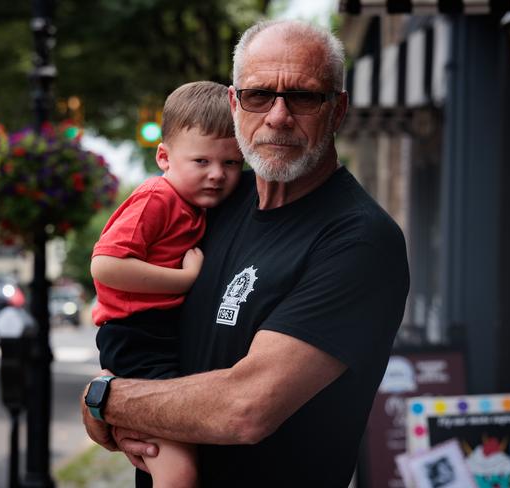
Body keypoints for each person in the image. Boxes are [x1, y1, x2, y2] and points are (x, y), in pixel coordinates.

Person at [82, 19, 410, 488]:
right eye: (258, 95)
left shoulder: (358, 240)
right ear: (235, 104)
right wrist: (112, 400)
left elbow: (245, 409)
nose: (277, 115)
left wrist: (104, 399)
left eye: (303, 96)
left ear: (337, 110)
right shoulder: (213, 204)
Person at [89, 81, 243, 488]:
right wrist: (185, 278)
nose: (217, 174)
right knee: (177, 468)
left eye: (231, 163)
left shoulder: (197, 206)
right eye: (201, 161)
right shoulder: (156, 198)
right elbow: (106, 265)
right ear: (164, 156)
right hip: (137, 335)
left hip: (157, 334)